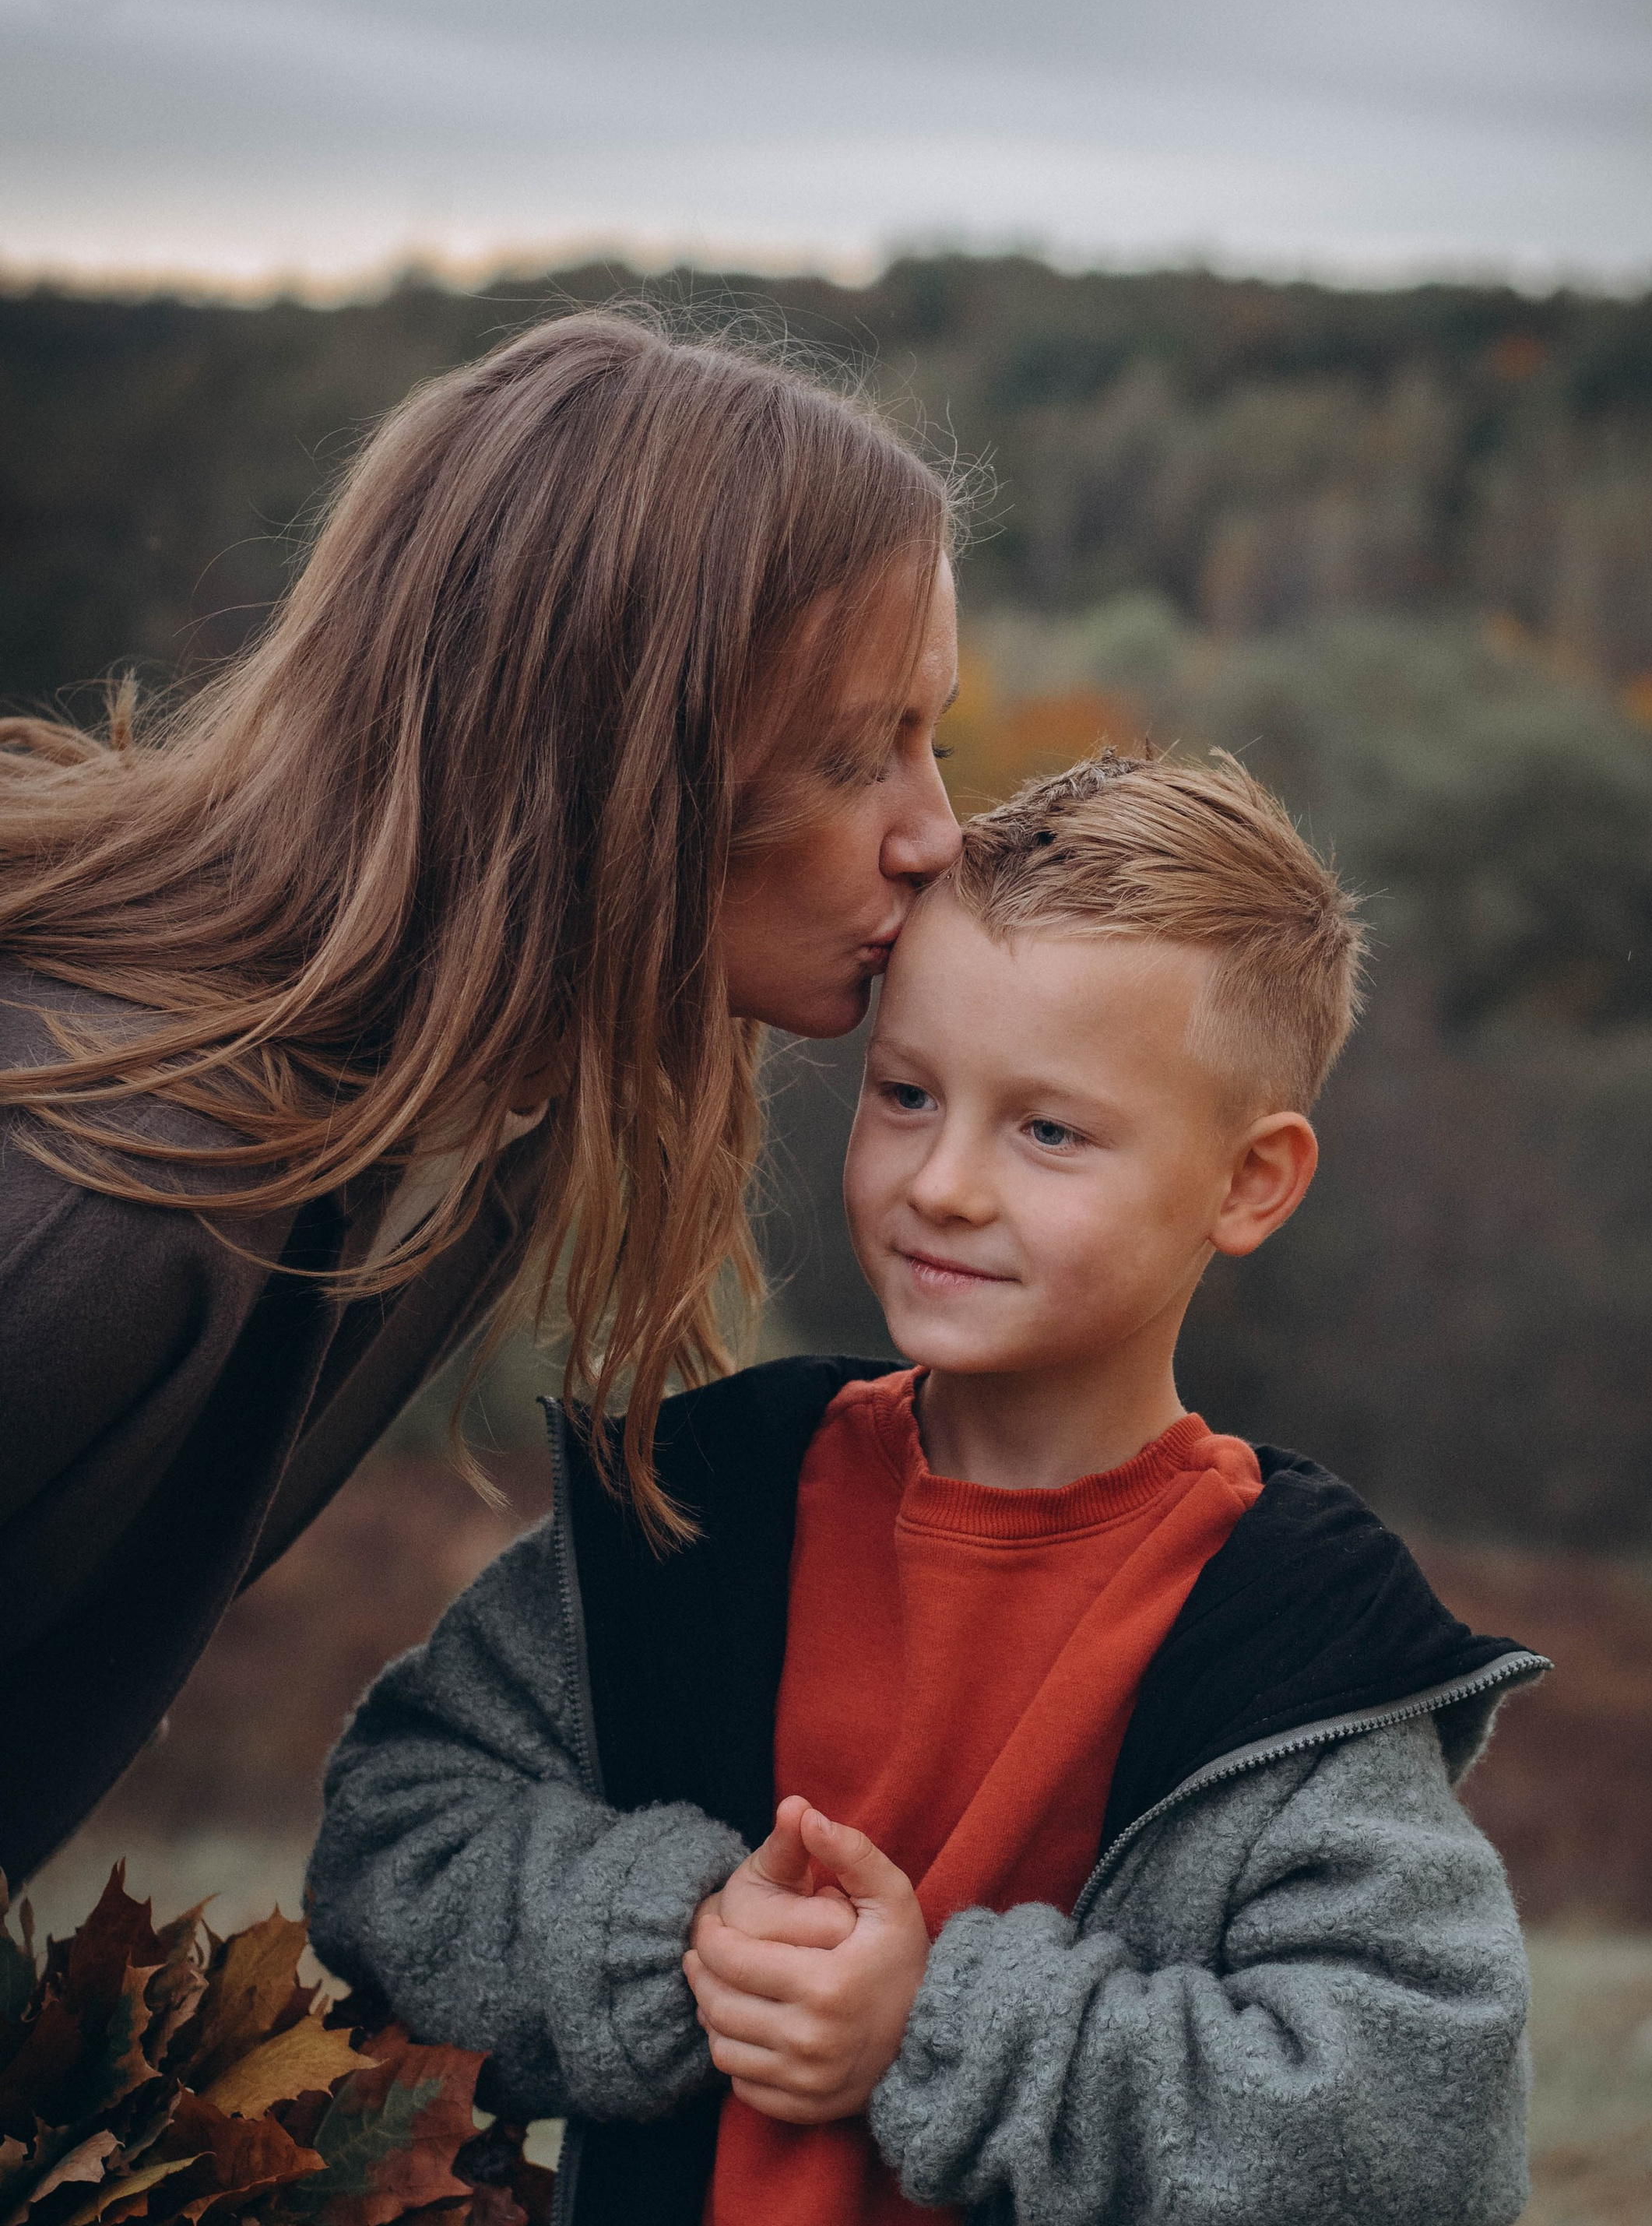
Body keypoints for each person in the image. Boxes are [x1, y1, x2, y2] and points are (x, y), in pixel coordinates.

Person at [306, 749, 1546, 2226]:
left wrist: (934, 2031)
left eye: (1050, 1129)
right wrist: (667, 1927)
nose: (942, 1184)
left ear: (1252, 1182)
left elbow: (1422, 2110)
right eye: (903, 1097)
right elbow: (400, 1834)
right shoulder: (683, 1520)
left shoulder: (1290, 1635)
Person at [0, 308, 962, 1894]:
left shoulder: (458, 1138)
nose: (934, 833)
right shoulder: (111, 1201)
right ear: (608, 763)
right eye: (862, 754)